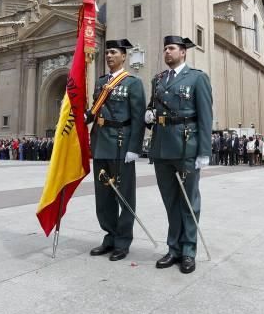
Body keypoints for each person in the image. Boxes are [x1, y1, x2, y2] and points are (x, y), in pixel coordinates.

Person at [145, 35, 212, 274]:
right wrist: (149, 114)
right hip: (162, 147)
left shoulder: (197, 78)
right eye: (164, 49)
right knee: (170, 202)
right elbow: (153, 106)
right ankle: (173, 248)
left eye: (171, 48)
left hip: (186, 147)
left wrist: (204, 151)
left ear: (183, 52)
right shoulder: (158, 80)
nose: (167, 52)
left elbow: (205, 116)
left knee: (189, 202)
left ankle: (188, 251)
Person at [86, 39, 146, 262]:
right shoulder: (101, 82)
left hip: (122, 145)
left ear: (124, 56)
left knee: (124, 195)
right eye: (107, 52)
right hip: (101, 143)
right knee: (104, 196)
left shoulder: (133, 83)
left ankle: (123, 241)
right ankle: (109, 236)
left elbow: (138, 118)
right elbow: (95, 109)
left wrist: (134, 148)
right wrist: (85, 115)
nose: (109, 56)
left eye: (114, 53)